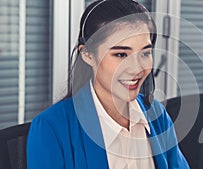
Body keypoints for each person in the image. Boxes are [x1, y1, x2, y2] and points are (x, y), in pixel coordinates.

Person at [26, 0, 190, 168]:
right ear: (88, 54)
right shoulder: (52, 128)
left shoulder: (156, 114)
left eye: (145, 53)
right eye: (121, 54)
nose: (136, 68)